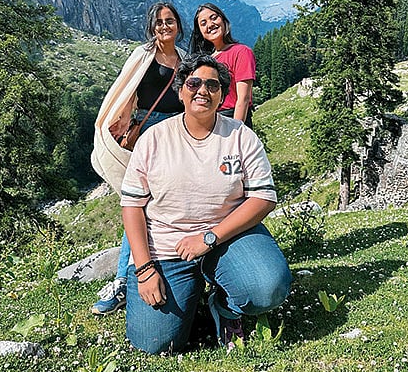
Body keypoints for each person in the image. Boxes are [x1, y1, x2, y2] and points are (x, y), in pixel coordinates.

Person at [120, 53, 292, 353]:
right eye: (194, 83)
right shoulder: (154, 139)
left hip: (228, 237)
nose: (203, 91)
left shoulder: (240, 136)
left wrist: (209, 238)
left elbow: (263, 198)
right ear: (181, 91)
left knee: (267, 288)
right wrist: (145, 269)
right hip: (167, 246)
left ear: (222, 95)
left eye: (213, 86)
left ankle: (225, 307)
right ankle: (190, 293)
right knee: (155, 342)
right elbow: (132, 206)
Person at [90, 2, 186, 315]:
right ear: (152, 27)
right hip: (147, 132)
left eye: (169, 20)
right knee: (139, 203)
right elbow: (125, 90)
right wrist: (118, 123)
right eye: (159, 22)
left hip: (178, 133)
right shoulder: (142, 55)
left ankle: (157, 273)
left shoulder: (185, 59)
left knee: (163, 202)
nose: (164, 26)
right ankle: (124, 279)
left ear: (178, 24)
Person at [189, 2, 256, 127]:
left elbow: (243, 99)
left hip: (232, 118)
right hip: (207, 120)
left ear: (224, 20)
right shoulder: (205, 60)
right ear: (200, 32)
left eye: (214, 18)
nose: (210, 24)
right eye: (203, 23)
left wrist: (237, 130)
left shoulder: (241, 52)